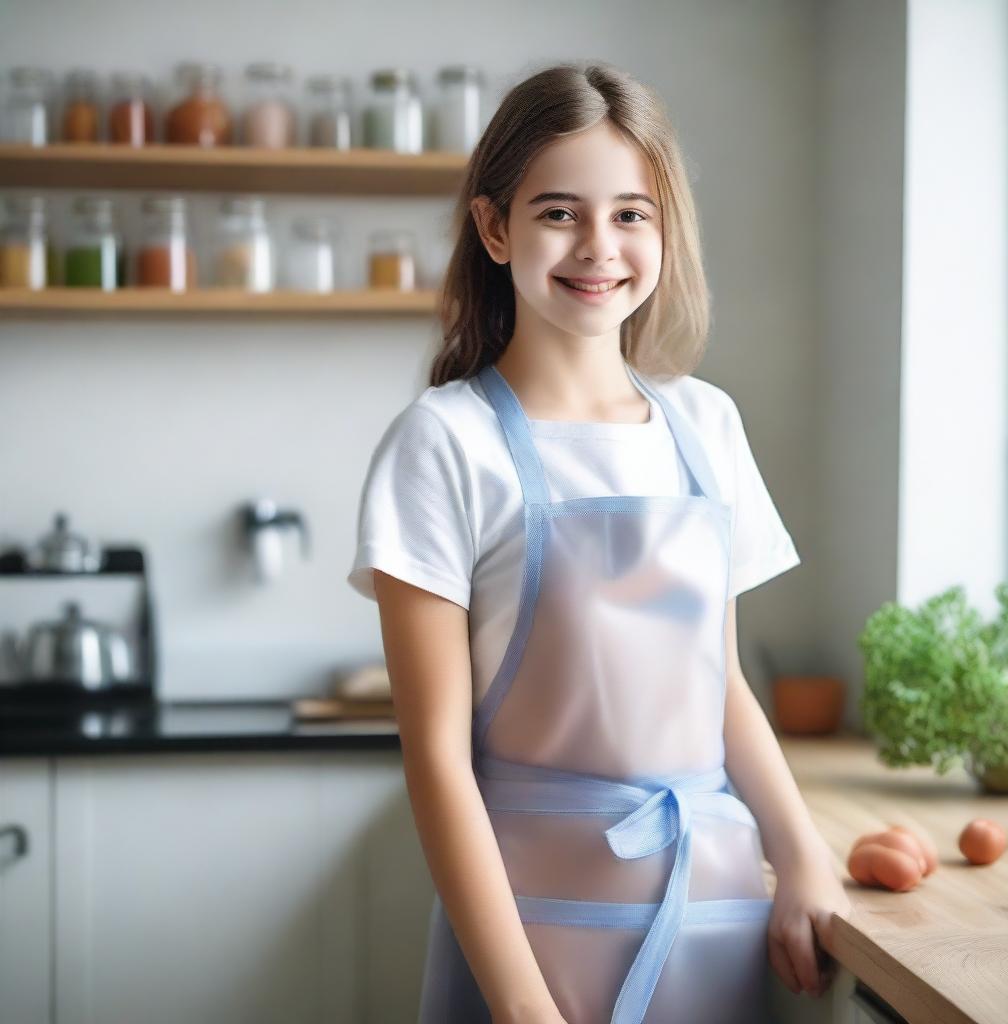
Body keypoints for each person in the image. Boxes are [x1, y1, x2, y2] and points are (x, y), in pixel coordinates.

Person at [347, 60, 851, 1024]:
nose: (598, 246)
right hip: (530, 938)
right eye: (558, 213)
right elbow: (439, 766)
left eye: (631, 213)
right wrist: (524, 1008)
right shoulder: (443, 442)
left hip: (717, 914)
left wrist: (801, 856)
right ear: (495, 229)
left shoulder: (708, 425)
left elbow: (722, 686)